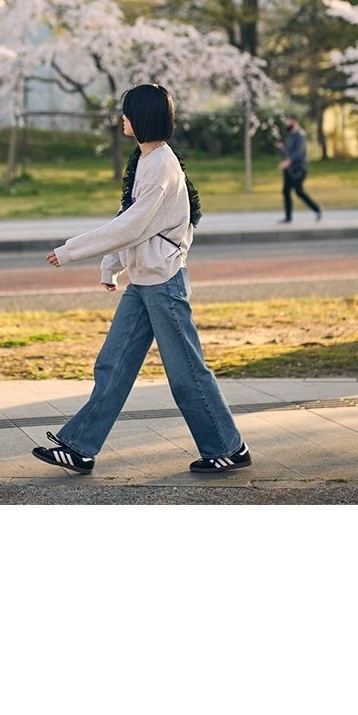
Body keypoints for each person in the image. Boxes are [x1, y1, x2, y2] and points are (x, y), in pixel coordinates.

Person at [32, 83, 250, 476]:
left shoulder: (160, 165)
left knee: (186, 373)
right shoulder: (146, 160)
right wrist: (110, 267)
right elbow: (128, 218)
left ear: (142, 118)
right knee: (113, 364)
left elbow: (131, 226)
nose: (122, 120)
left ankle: (227, 447)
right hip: (145, 281)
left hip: (163, 283)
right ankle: (80, 447)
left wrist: (71, 251)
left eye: (127, 113)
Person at [278, 113, 322, 223]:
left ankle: (317, 209)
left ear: (295, 121)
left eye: (288, 121)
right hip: (289, 170)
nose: (286, 123)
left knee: (299, 191)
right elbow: (289, 152)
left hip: (298, 169)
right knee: (286, 191)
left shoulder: (300, 135)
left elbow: (298, 153)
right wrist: (282, 147)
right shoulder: (291, 136)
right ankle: (288, 217)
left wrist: (288, 162)